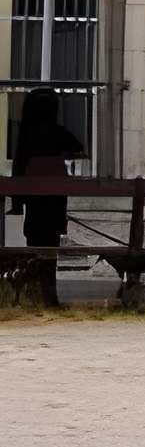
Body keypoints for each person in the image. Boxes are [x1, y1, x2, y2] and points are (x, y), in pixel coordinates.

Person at [11, 86, 85, 308]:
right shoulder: (58, 132)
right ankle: (48, 294)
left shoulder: (27, 135)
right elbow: (79, 148)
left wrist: (17, 203)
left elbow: (18, 168)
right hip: (53, 200)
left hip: (35, 201)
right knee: (49, 245)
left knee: (36, 243)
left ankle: (37, 294)